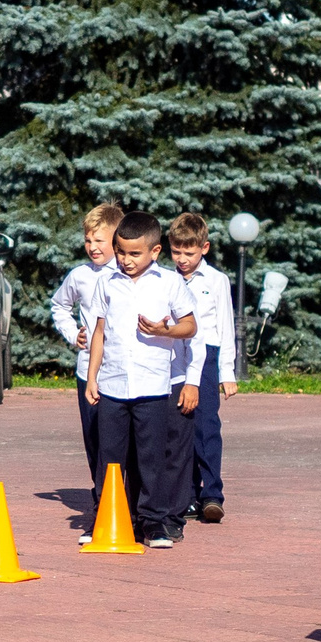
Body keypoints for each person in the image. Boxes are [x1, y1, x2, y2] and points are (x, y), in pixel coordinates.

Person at [83, 211, 197, 548]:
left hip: (151, 386)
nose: (126, 260)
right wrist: (92, 377)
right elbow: (99, 332)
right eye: (121, 252)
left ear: (155, 251)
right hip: (114, 385)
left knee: (150, 458)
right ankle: (108, 517)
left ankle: (154, 523)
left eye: (134, 253)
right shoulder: (107, 282)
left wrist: (166, 330)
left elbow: (190, 326)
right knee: (111, 458)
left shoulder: (170, 283)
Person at [165, 213, 236, 524]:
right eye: (176, 251)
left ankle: (212, 494)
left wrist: (227, 372)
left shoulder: (216, 281)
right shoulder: (165, 280)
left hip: (207, 356)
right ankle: (187, 494)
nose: (182, 259)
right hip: (173, 357)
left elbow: (225, 326)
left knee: (206, 426)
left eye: (189, 252)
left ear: (204, 248)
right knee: (179, 427)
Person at [50, 202, 122, 507]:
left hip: (121, 369)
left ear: (117, 240)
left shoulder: (127, 273)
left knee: (118, 439)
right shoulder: (80, 275)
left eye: (99, 241)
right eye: (88, 240)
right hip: (87, 371)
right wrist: (73, 334)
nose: (92, 247)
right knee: (94, 436)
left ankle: (124, 498)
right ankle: (100, 494)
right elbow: (59, 305)